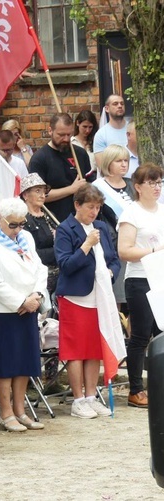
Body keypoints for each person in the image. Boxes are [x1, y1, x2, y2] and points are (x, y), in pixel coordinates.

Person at [0, 198, 47, 432]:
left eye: (22, 223)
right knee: (5, 364)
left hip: (28, 306)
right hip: (1, 310)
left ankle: (21, 409)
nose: (18, 229)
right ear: (0, 220)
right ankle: (5, 412)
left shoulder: (25, 237)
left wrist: (36, 295)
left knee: (24, 362)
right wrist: (20, 301)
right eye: (13, 225)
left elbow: (40, 267)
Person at [55, 184, 121, 419]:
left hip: (99, 296)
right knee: (76, 351)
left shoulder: (102, 226)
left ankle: (92, 396)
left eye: (98, 207)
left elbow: (114, 259)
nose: (94, 212)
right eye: (90, 207)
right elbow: (66, 265)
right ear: (77, 205)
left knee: (94, 350)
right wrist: (86, 245)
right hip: (75, 297)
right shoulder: (65, 229)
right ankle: (78, 399)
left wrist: (110, 273)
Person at [117, 163, 164, 409]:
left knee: (162, 333)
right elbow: (125, 250)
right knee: (141, 334)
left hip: (162, 279)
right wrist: (155, 250)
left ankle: (160, 386)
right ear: (138, 187)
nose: (157, 188)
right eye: (152, 183)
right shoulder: (131, 213)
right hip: (140, 279)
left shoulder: (162, 210)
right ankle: (136, 389)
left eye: (159, 183)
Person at [28, 113, 91, 221]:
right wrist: (71, 189)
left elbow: (89, 184)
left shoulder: (80, 154)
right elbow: (37, 197)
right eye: (61, 135)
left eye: (69, 134)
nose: (66, 139)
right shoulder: (39, 159)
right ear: (50, 131)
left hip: (81, 219)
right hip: (55, 220)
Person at [92, 144, 134, 304]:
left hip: (136, 246)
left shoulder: (132, 184)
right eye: (118, 161)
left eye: (126, 160)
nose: (124, 164)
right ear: (108, 162)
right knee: (117, 298)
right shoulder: (97, 187)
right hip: (112, 246)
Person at [20, 173, 60, 294]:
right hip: (38, 276)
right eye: (38, 191)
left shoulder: (50, 215)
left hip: (59, 273)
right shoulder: (22, 219)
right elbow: (30, 253)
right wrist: (59, 249)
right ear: (25, 195)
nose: (42, 195)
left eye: (44, 192)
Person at [93, 94, 128, 164]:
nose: (120, 106)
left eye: (122, 103)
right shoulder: (101, 135)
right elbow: (102, 166)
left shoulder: (133, 129)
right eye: (115, 104)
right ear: (107, 109)